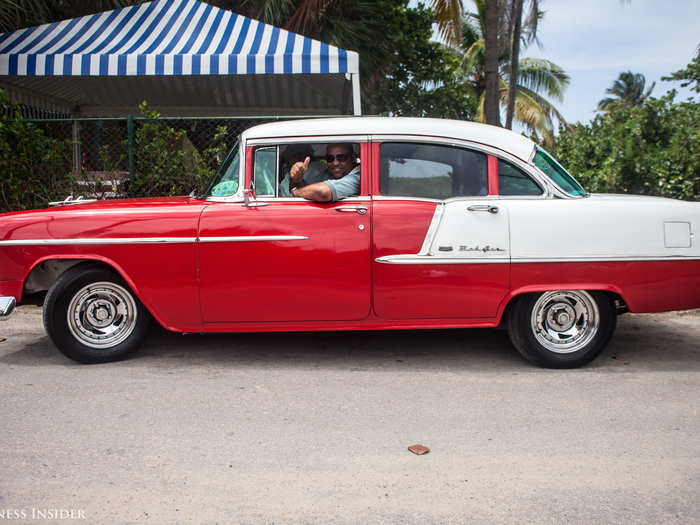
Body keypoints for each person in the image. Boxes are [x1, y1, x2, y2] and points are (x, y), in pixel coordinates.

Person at [279, 143, 360, 202]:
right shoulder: (327, 174)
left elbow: (323, 193)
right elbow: (307, 189)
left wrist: (294, 193)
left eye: (341, 157)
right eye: (330, 158)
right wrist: (297, 179)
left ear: (352, 158)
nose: (335, 163)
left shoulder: (359, 177)